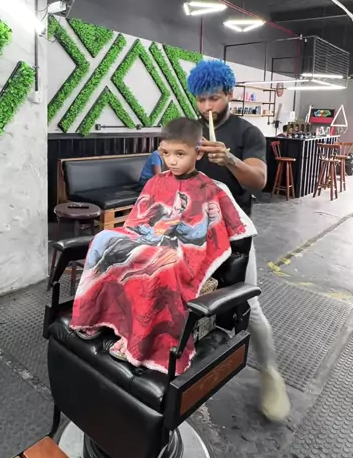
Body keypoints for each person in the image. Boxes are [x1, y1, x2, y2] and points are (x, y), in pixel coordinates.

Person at [70, 118, 256, 374]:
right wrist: (150, 234)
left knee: (159, 265)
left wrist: (173, 234)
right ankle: (95, 316)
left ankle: (138, 341)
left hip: (183, 247)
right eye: (166, 153)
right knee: (103, 240)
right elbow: (138, 220)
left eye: (180, 154)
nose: (172, 161)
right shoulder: (156, 182)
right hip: (149, 235)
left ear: (198, 153)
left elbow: (216, 232)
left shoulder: (210, 188)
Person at [187, 58, 290, 422]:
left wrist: (229, 159)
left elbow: (259, 181)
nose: (207, 107)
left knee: (250, 304)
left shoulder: (248, 133)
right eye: (201, 99)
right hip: (192, 231)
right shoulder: (190, 130)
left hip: (234, 234)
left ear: (229, 94)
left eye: (213, 98)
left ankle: (270, 371)